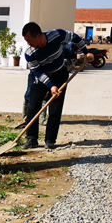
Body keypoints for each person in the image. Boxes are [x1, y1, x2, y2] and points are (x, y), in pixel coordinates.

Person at [22, 22, 93, 150]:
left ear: (38, 35)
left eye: (29, 40)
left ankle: (50, 140)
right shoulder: (29, 53)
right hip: (41, 79)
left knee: (55, 108)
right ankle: (31, 139)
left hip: (60, 75)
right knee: (33, 107)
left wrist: (86, 52)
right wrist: (51, 86)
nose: (27, 43)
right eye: (25, 40)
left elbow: (74, 37)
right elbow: (37, 72)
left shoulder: (56, 35)